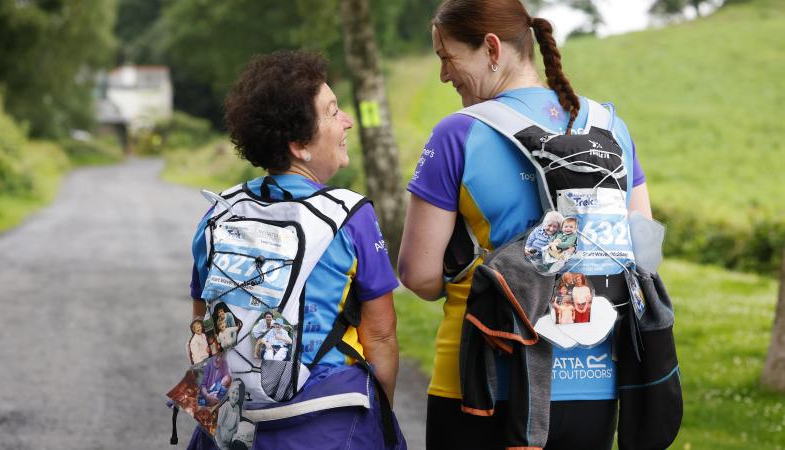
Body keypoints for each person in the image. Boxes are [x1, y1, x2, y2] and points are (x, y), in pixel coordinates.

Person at [397, 1, 653, 449]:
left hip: (481, 378)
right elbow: (645, 252)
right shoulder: (612, 127)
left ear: (491, 48)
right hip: (594, 378)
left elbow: (418, 275)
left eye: (447, 57)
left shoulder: (458, 134)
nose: (443, 75)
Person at [187, 50, 403, 450]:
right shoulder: (350, 216)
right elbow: (382, 336)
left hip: (230, 421)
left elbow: (204, 326)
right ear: (300, 146)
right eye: (333, 112)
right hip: (330, 419)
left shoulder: (219, 214)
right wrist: (378, 416)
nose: (347, 121)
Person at [215, 379, 244, 449]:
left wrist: (232, 433)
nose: (235, 395)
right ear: (229, 394)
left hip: (231, 435)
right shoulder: (225, 406)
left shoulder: (237, 408)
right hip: (221, 436)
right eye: (233, 393)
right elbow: (218, 425)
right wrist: (220, 442)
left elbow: (237, 425)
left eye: (237, 394)